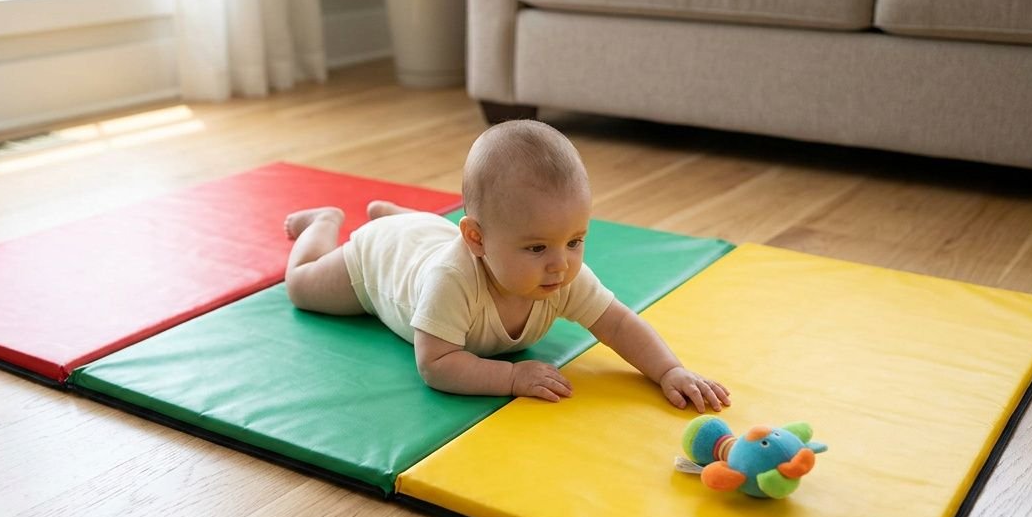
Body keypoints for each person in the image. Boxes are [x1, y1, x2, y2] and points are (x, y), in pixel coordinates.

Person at [282, 120, 730, 412]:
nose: (560, 264)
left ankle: (401, 215)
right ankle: (326, 221)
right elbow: (436, 363)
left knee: (433, 234)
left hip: (435, 238)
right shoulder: (452, 280)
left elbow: (617, 323)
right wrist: (511, 376)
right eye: (536, 248)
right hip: (381, 260)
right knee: (302, 286)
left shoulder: (560, 272)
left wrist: (670, 370)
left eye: (576, 241)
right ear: (476, 240)